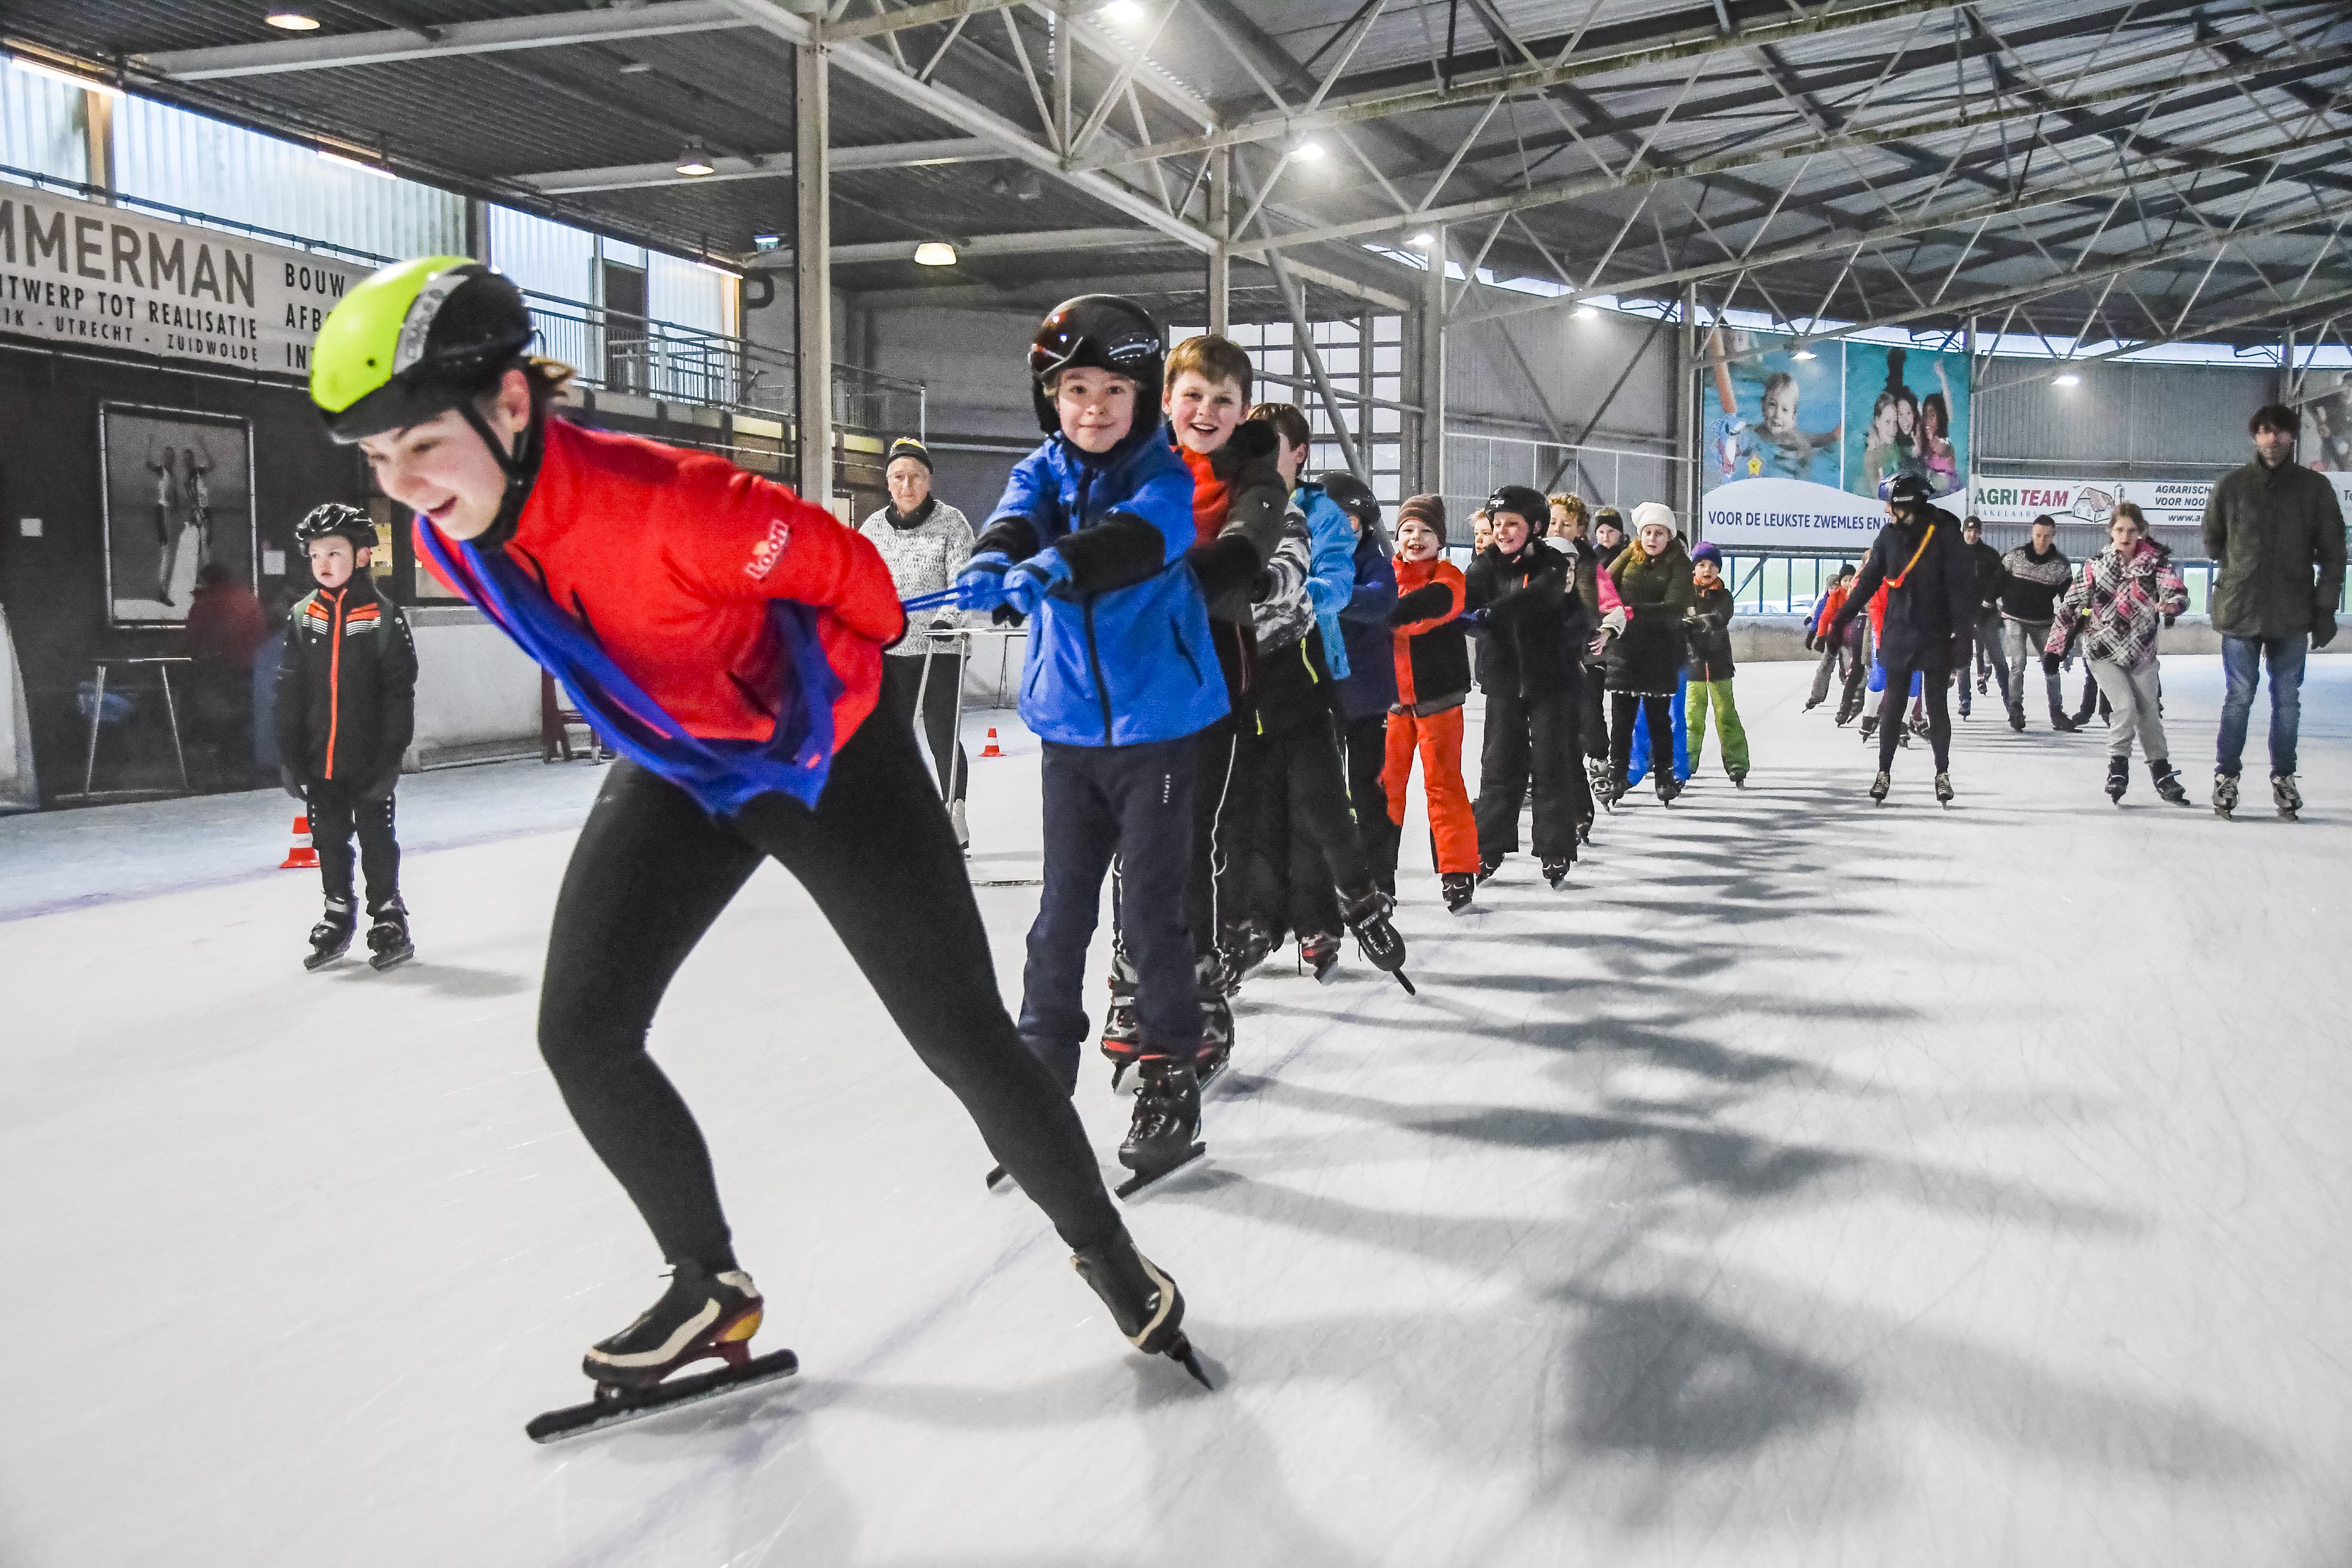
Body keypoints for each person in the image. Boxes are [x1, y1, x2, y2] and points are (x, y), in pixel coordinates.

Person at [312, 260, 1209, 1396]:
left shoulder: (678, 501)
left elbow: (869, 599)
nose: (404, 488)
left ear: (507, 406)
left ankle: (1119, 1264)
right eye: (377, 462)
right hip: (684, 769)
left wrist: (801, 684)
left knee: (960, 1038)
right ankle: (709, 1289)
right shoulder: (453, 530)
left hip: (823, 758)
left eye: (420, 448)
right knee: (582, 1031)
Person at [957, 297, 1249, 1198]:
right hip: (1070, 731)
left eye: (1112, 390)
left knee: (1155, 916)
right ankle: (1040, 1084)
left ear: (1142, 395)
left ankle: (1170, 1071)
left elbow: (1140, 539)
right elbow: (1016, 516)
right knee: (1059, 919)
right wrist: (992, 563)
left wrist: (1056, 565)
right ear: (1051, 399)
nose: (1091, 407)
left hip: (1159, 732)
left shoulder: (1164, 475)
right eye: (1073, 389)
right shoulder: (1043, 470)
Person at [1232, 403, 1406, 985]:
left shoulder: (1318, 511)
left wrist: (1280, 595)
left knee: (1313, 804)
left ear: (1298, 453)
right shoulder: (1225, 501)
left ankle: (1319, 918)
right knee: (1252, 805)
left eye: (1269, 442)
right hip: (1237, 676)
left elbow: (1336, 583)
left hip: (1307, 669)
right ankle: (1256, 918)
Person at [276, 504, 416, 971]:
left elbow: (399, 693)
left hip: (370, 758)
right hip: (320, 761)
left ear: (361, 556)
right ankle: (338, 911)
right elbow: (288, 692)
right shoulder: (302, 617)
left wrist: (392, 757)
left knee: (378, 839)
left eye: (335, 552)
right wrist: (291, 759)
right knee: (328, 838)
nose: (323, 563)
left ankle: (388, 915)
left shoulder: (383, 616)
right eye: (315, 554)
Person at [2203, 403, 2346, 819]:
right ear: (2255, 437)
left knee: (2287, 700)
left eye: (2281, 431)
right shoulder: (2232, 487)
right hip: (2240, 610)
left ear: (2291, 437)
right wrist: (2241, 568)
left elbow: (2334, 552)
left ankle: (2284, 778)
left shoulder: (2313, 489)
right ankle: (2226, 777)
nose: (2273, 438)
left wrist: (2324, 608)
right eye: (2265, 431)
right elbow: (2213, 540)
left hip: (2291, 612)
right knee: (2240, 696)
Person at [1467, 485, 1592, 888]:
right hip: (1503, 681)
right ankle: (1488, 847)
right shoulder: (1483, 567)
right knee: (1499, 766)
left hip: (1550, 681)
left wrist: (1490, 614)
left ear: (1535, 527)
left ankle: (1555, 848)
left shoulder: (1552, 564)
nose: (1502, 532)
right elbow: (1460, 600)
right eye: (1497, 524)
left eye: (1513, 524)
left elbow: (1539, 597)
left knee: (1550, 766)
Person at [1827, 472, 1976, 804]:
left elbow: (1961, 588)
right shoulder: (1889, 537)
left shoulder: (1945, 534)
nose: (1886, 512)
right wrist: (1840, 620)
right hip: (1899, 631)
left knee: (1937, 704)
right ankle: (1883, 772)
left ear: (1907, 504)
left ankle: (1942, 773)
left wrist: (1963, 632)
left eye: (1890, 504)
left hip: (1936, 632)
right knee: (1892, 705)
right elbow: (1866, 583)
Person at [859, 437, 976, 847]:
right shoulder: (872, 528)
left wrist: (947, 619)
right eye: (898, 477)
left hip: (940, 648)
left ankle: (954, 812)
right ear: (888, 482)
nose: (906, 485)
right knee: (891, 735)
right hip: (892, 650)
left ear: (928, 480)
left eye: (914, 477)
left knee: (942, 730)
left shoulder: (952, 523)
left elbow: (964, 582)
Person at [2049, 503, 2190, 805]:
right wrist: (2055, 648)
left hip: (2142, 652)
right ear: (2110, 531)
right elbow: (2071, 606)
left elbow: (2175, 589)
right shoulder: (2095, 566)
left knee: (2149, 712)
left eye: (2132, 530)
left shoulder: (2156, 564)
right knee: (2125, 706)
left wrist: (2173, 604)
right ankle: (2118, 768)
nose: (2126, 536)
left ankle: (2162, 773)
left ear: (2142, 532)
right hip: (2103, 650)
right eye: (2120, 529)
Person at [1381, 495, 1480, 912]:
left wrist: (1383, 611)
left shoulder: (1450, 576)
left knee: (1443, 784)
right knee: (1385, 788)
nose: (1415, 538)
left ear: (1439, 540)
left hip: (1437, 699)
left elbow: (1434, 609)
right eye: (1407, 530)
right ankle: (1378, 873)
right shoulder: (1382, 577)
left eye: (1425, 531)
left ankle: (1457, 870)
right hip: (1390, 704)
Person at [1327, 472, 1399, 895]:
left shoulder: (1372, 559)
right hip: (1321, 695)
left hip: (1367, 698)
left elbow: (1381, 600)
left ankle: (1379, 878)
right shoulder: (1305, 557)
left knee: (1369, 792)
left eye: (1350, 522)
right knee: (1325, 799)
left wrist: (1337, 595)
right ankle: (1325, 884)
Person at [1603, 503, 1692, 805]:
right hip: (1626, 651)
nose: (1652, 538)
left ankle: (1665, 775)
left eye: (1660, 533)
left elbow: (1674, 606)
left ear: (1670, 536)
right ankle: (1616, 773)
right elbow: (1605, 584)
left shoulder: (1679, 563)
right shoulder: (1630, 554)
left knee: (1658, 720)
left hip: (1661, 651)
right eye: (1648, 532)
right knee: (1622, 720)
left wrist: (1629, 612)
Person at [1997, 513, 2074, 730]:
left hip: (2043, 620)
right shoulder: (2015, 557)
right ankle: (2015, 709)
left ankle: (2057, 711)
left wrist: (2073, 620)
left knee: (2051, 664)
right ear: (2032, 533)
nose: (2042, 540)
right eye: (2039, 535)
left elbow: (2069, 597)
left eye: (2047, 536)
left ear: (2053, 536)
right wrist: (1986, 604)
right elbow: (1998, 581)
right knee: (2018, 663)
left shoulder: (2061, 565)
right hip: (2013, 617)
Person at [1682, 542, 1748, 784]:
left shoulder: (1724, 595)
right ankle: (1685, 764)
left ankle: (1737, 764)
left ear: (1719, 569)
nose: (1706, 570)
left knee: (1726, 715)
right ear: (1694, 569)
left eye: (1712, 565)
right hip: (1693, 665)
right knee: (1692, 717)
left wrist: (1694, 622)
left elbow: (1719, 618)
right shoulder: (1685, 593)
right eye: (1701, 565)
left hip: (1720, 666)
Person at [1957, 516, 2008, 719]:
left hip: (1987, 613)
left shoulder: (1989, 555)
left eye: (1976, 531)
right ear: (1963, 532)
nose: (1972, 535)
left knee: (1997, 658)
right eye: (1969, 531)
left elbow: (2001, 581)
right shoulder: (1954, 555)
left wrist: (1992, 602)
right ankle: (1965, 700)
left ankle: (2010, 701)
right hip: (1962, 613)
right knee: (1963, 658)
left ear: (1980, 533)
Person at [1803, 564, 1857, 713]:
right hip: (1834, 637)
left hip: (1850, 639)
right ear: (1840, 581)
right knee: (1825, 666)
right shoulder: (1835, 596)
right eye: (1845, 580)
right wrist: (1820, 637)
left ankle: (1857, 695)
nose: (1847, 583)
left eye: (1851, 579)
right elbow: (1824, 617)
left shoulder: (1857, 595)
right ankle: (1816, 696)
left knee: (1852, 667)